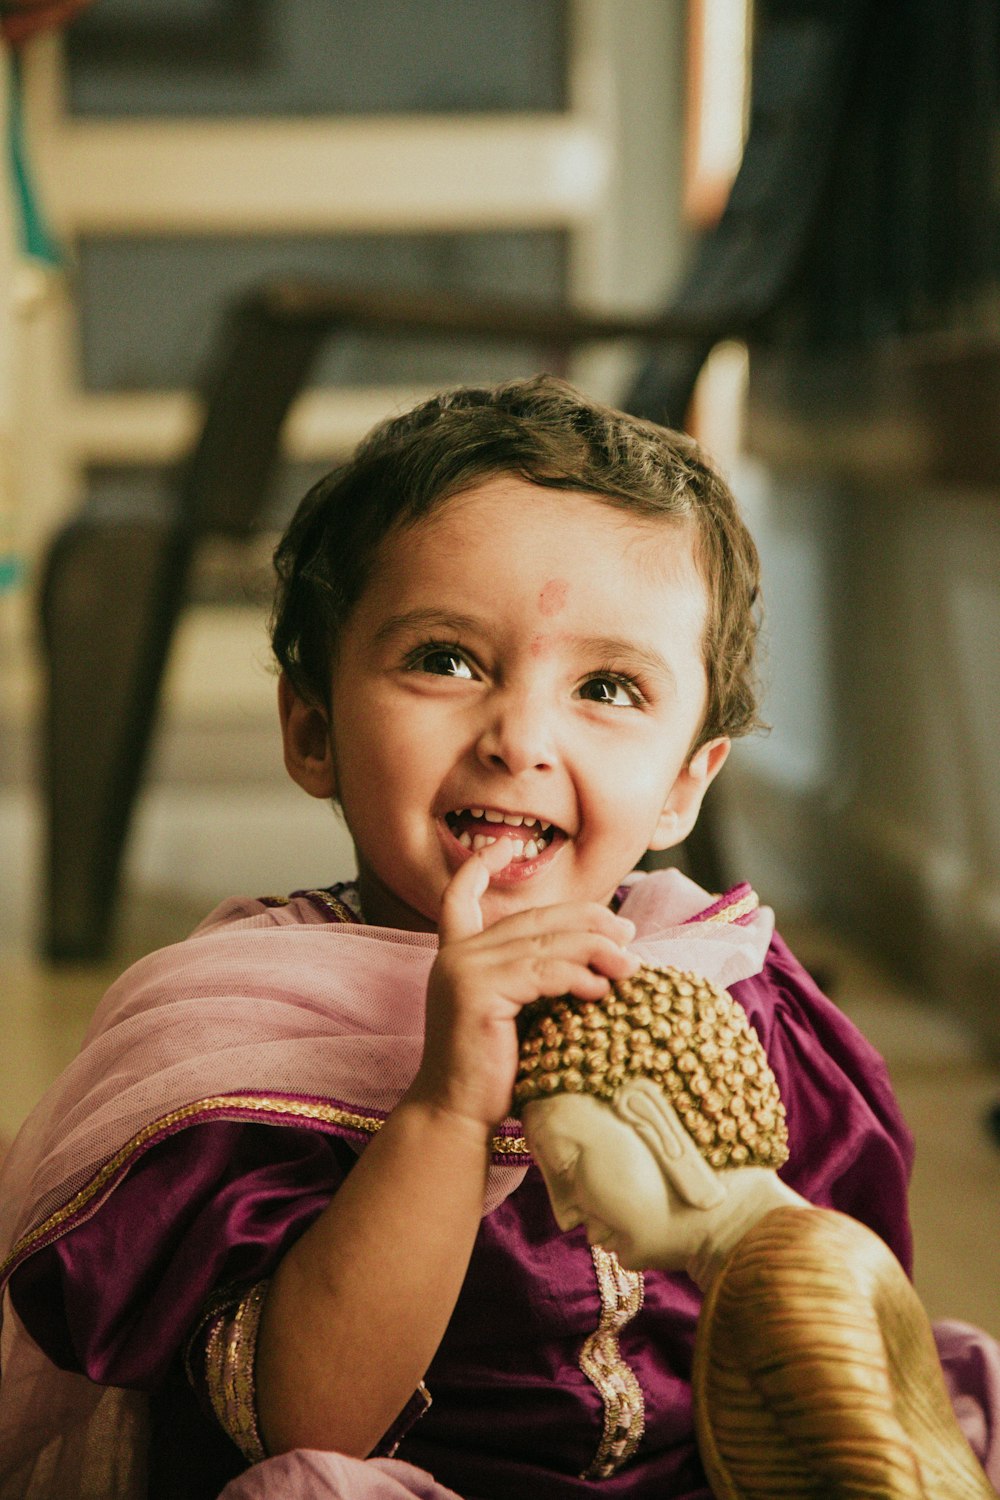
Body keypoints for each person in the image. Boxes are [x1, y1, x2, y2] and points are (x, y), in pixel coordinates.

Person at [0, 375, 974, 1500]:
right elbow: (303, 1421)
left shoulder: (728, 984)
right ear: (312, 729)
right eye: (445, 661)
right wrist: (444, 1104)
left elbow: (829, 1301)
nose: (520, 738)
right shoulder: (244, 1035)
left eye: (607, 686)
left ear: (682, 789)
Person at [517, 967, 1000, 1497]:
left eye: (566, 1168)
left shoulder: (781, 1283)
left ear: (653, 1120)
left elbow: (881, 1486)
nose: (564, 1215)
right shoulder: (780, 1258)